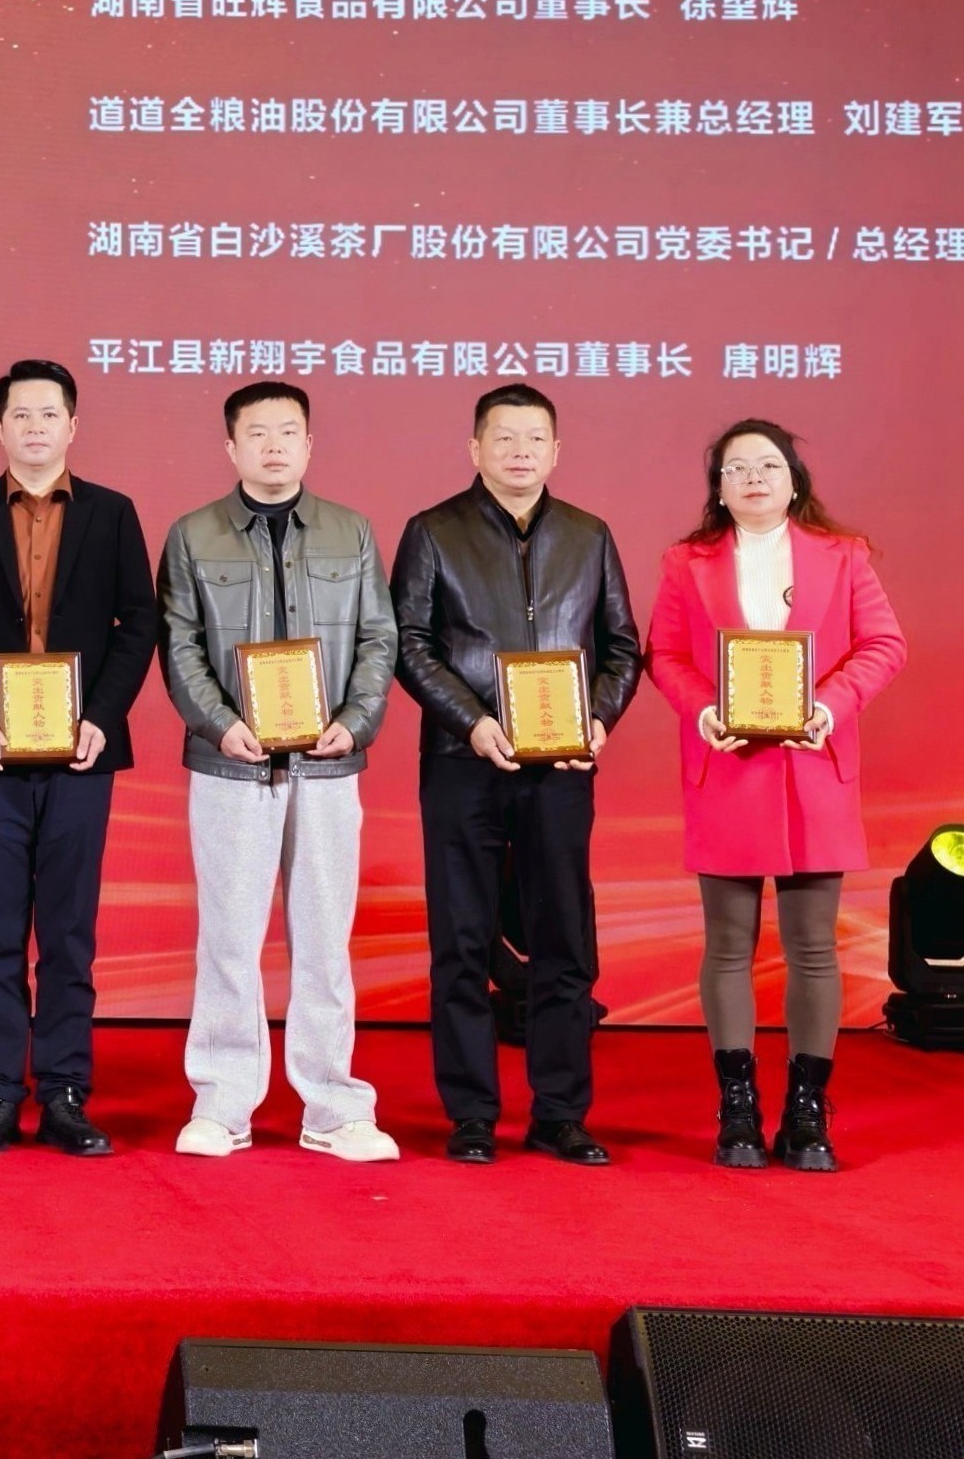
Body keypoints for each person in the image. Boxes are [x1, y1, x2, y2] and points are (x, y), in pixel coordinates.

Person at [0, 358, 157, 1157]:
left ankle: (63, 1092)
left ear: (71, 425)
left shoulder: (112, 513)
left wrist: (101, 716)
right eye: (20, 414)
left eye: (49, 414)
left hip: (81, 752)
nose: (35, 426)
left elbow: (139, 623)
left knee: (67, 931)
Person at [644, 419, 904, 1171]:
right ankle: (737, 1109)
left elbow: (883, 644)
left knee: (813, 948)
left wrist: (829, 705)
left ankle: (806, 1111)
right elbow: (665, 653)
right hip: (726, 766)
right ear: (718, 489)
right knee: (727, 945)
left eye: (767, 466)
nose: (753, 478)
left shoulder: (842, 555)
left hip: (813, 764)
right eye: (736, 469)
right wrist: (702, 710)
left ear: (794, 482)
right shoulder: (686, 562)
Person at [391, 382, 641, 1167]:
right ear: (475, 448)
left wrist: (596, 720)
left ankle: (560, 1114)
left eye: (534, 438)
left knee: (563, 939)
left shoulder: (588, 534)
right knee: (460, 941)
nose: (519, 452)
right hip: (462, 762)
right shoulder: (433, 531)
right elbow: (408, 642)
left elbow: (622, 647)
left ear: (556, 450)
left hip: (560, 766)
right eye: (503, 437)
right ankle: (470, 1113)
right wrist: (472, 721)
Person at [155, 382, 401, 1163]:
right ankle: (221, 1103)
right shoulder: (193, 534)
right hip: (229, 766)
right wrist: (219, 724)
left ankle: (333, 1107)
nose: (272, 445)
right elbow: (178, 643)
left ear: (307, 444)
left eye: (286, 431)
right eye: (255, 433)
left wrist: (353, 722)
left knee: (324, 941)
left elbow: (378, 638)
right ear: (230, 446)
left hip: (328, 765)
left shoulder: (349, 532)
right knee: (228, 938)